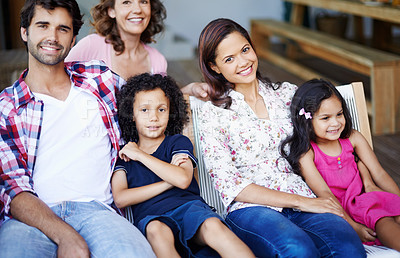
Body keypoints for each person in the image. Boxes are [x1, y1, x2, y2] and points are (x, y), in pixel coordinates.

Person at [0, 0, 155, 257]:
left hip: (101, 213)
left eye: (63, 29)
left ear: (73, 40)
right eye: (43, 25)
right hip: (33, 217)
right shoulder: (7, 107)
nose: (53, 36)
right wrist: (67, 237)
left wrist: (189, 91)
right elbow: (14, 191)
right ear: (25, 32)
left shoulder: (100, 80)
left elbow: (149, 99)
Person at [196, 18, 367, 257]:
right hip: (252, 209)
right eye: (229, 59)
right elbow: (230, 184)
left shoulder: (288, 94)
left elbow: (326, 136)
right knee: (298, 250)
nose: (244, 62)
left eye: (245, 50)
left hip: (304, 195)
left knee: (348, 249)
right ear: (214, 67)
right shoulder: (212, 114)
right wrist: (300, 202)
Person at [112, 72, 255, 258]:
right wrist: (167, 181)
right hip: (152, 218)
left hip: (189, 208)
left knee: (213, 226)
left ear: (170, 113)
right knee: (156, 230)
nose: (153, 117)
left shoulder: (177, 142)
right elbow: (121, 198)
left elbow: (182, 179)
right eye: (144, 110)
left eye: (161, 109)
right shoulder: (124, 154)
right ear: (131, 114)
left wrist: (140, 155)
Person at [281, 78, 400, 251]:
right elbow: (325, 195)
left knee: (388, 215)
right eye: (325, 118)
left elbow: (379, 173)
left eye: (339, 114)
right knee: (382, 221)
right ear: (307, 121)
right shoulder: (307, 154)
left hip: (363, 200)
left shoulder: (353, 138)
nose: (335, 123)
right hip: (337, 212)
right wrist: (353, 226)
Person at [65, 0, 209, 99]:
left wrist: (189, 89)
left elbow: (159, 103)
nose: (137, 9)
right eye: (126, 2)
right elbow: (57, 84)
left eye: (144, 1)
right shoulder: (92, 46)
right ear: (111, 10)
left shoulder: (157, 60)